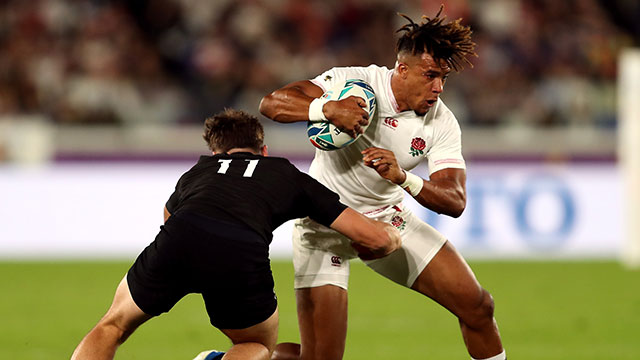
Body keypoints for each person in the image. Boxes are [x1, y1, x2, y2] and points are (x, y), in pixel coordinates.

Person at [258, 7, 506, 360]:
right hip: (325, 224)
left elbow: (455, 200)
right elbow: (271, 104)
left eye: (444, 78)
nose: (438, 88)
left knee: (478, 306)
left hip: (387, 221)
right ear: (401, 69)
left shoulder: (442, 122)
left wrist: (404, 179)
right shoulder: (353, 81)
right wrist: (328, 109)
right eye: (431, 75)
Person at [70, 109, 401, 360]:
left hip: (178, 238)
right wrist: (393, 234)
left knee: (112, 325)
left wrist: (190, 269)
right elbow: (375, 239)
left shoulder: (198, 171)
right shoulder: (285, 172)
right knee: (254, 345)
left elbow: (169, 216)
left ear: (216, 152)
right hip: (239, 250)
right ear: (264, 150)